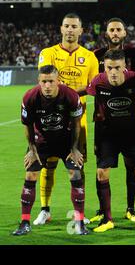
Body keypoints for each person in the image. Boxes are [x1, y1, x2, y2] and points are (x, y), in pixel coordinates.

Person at [36, 13, 98, 226]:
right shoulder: (48, 53)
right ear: (61, 29)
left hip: (77, 120)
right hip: (50, 119)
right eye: (67, 26)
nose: (70, 30)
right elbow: (46, 84)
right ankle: (45, 209)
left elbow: (93, 86)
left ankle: (78, 210)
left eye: (74, 26)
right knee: (47, 164)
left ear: (81, 30)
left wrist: (67, 93)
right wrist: (71, 92)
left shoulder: (90, 57)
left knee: (78, 165)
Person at [13, 65, 88, 236]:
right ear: (39, 81)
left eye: (51, 81)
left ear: (58, 81)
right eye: (44, 81)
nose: (47, 85)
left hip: (66, 141)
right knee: (30, 175)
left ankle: (79, 222)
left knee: (75, 174)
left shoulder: (70, 95)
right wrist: (32, 149)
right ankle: (25, 222)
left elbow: (77, 123)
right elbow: (27, 126)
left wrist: (75, 148)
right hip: (42, 141)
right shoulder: (30, 97)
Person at [86, 49, 135, 233]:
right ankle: (107, 220)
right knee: (101, 173)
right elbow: (89, 97)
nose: (114, 72)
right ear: (104, 67)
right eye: (109, 68)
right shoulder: (98, 82)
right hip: (109, 136)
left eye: (117, 67)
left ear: (124, 66)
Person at [90, 18, 135, 224]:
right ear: (106, 32)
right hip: (103, 119)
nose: (115, 33)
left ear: (124, 32)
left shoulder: (133, 54)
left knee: (133, 165)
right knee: (101, 166)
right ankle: (103, 210)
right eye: (111, 29)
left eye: (118, 29)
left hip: (131, 117)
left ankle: (131, 208)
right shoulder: (96, 55)